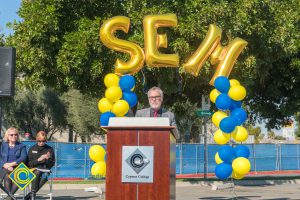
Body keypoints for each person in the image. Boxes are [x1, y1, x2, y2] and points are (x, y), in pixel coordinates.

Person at [25, 131, 55, 200]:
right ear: (37, 139)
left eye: (43, 141)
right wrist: (39, 160)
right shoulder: (32, 148)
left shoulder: (49, 149)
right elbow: (29, 163)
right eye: (39, 141)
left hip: (45, 169)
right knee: (37, 172)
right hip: (33, 169)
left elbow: (52, 163)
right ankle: (32, 194)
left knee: (45, 175)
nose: (41, 143)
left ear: (46, 140)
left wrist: (47, 159)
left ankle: (31, 194)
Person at [0, 127, 28, 199]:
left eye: (15, 134)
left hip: (18, 167)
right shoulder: (3, 145)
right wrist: (5, 165)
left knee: (21, 175)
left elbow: (23, 158)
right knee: (7, 175)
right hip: (4, 167)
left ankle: (9, 197)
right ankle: (10, 197)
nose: (14, 136)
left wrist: (11, 164)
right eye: (11, 135)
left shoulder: (22, 146)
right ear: (7, 136)